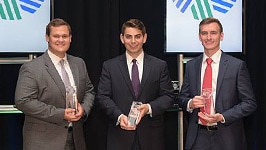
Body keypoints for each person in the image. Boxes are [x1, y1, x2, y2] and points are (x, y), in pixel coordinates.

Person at [15, 18, 95, 150]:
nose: (61, 40)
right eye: (56, 36)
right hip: (43, 143)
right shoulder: (32, 68)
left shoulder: (79, 63)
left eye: (64, 36)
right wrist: (60, 114)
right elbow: (23, 101)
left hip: (76, 139)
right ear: (47, 38)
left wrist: (84, 109)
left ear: (70, 38)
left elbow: (89, 91)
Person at [178, 17, 257, 150]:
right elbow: (182, 98)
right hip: (198, 137)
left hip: (227, 137)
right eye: (204, 33)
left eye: (213, 33)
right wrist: (190, 103)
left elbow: (250, 103)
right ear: (199, 37)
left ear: (221, 36)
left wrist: (222, 116)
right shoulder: (192, 65)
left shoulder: (236, 66)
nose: (208, 37)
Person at [96, 18, 175, 150]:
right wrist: (119, 116)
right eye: (128, 37)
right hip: (119, 137)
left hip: (151, 138)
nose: (133, 41)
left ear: (144, 38)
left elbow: (168, 97)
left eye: (137, 36)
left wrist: (148, 108)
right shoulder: (110, 66)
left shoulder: (159, 66)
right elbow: (102, 97)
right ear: (122, 38)